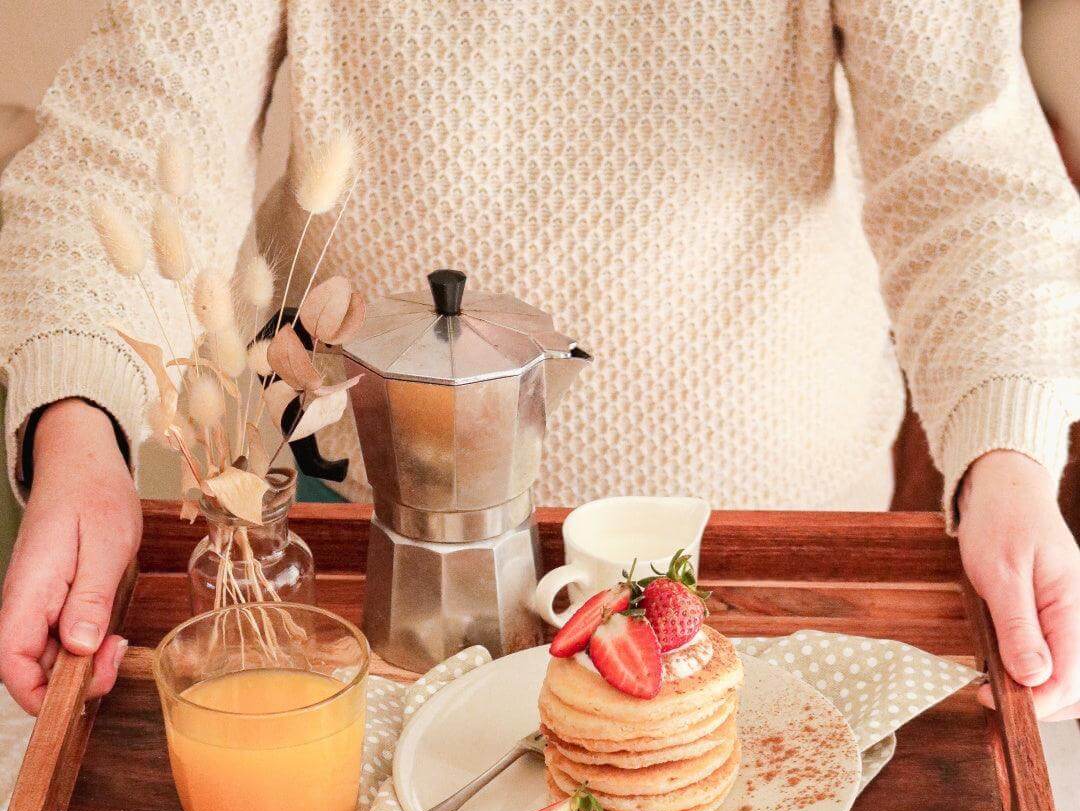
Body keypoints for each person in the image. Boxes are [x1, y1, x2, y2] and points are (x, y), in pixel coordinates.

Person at [0, 1, 1078, 718]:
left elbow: (968, 168)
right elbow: (134, 140)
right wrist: (78, 433)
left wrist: (1013, 463)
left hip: (766, 589)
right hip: (365, 611)